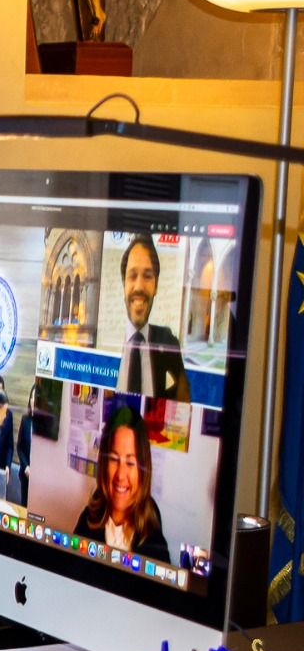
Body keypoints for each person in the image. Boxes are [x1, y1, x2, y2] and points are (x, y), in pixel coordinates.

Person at [72, 406, 171, 563]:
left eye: (130, 463)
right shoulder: (88, 518)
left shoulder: (153, 533)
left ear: (143, 470)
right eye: (113, 459)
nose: (120, 475)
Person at [117, 235, 189, 400]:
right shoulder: (104, 345)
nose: (139, 287)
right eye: (132, 276)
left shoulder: (169, 343)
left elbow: (183, 400)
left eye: (148, 276)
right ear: (123, 284)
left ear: (156, 286)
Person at [17, 382, 39, 503]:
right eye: (32, 397)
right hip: (25, 476)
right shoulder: (25, 420)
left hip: (39, 480)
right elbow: (19, 447)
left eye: (37, 397)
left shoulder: (45, 424)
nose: (34, 400)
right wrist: (25, 467)